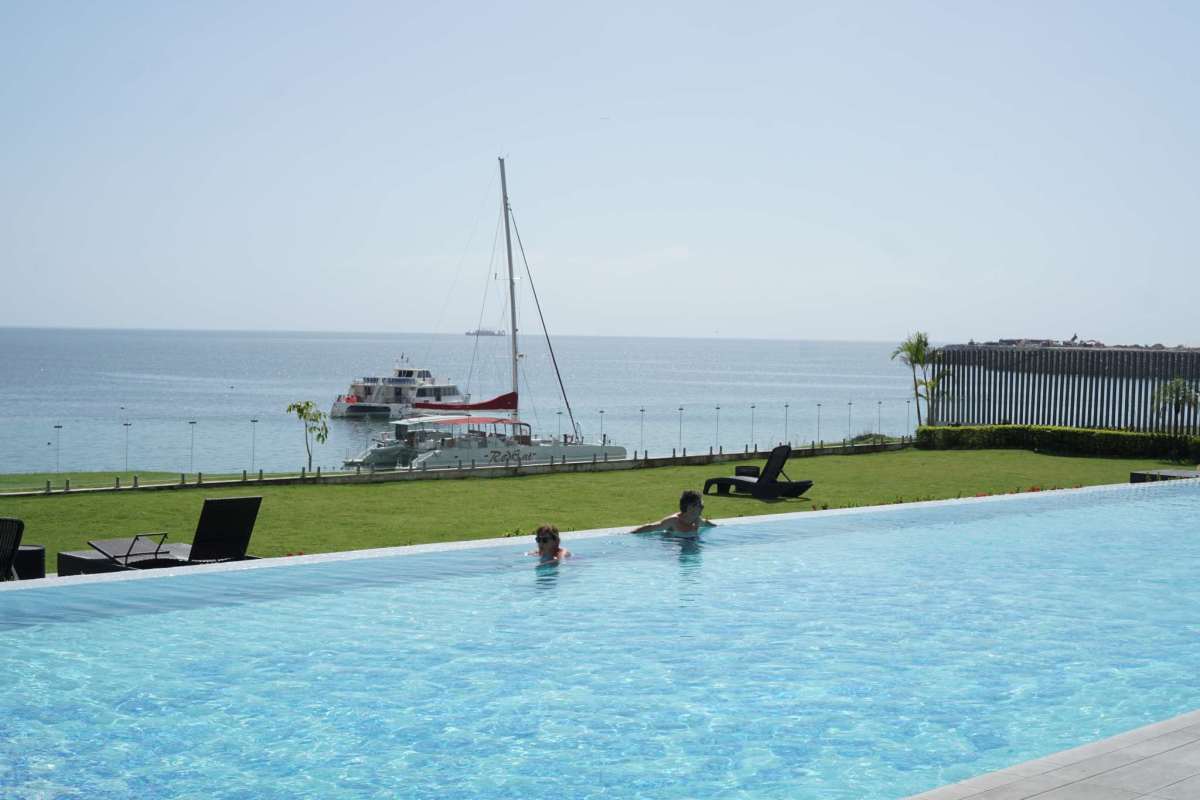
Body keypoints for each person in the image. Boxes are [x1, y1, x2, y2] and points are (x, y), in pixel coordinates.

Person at [629, 489, 716, 535]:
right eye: (699, 505)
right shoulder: (673, 521)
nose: (702, 507)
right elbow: (652, 527)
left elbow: (707, 524)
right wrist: (632, 533)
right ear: (690, 507)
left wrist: (716, 527)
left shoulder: (697, 520)